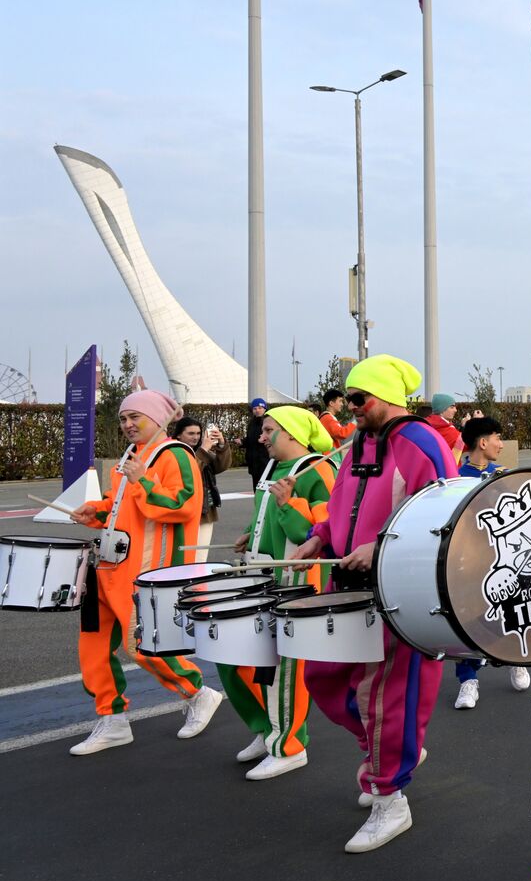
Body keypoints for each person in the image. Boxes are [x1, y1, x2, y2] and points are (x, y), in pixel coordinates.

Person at [288, 354, 455, 853]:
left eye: (359, 399)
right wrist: (319, 537)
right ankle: (391, 752)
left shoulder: (421, 441)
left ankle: (389, 796)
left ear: (384, 397)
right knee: (323, 675)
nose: (350, 407)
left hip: (399, 589)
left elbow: (446, 514)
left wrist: (380, 546)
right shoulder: (359, 441)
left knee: (386, 694)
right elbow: (343, 505)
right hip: (345, 582)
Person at [67, 390, 223, 754]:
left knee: (142, 648)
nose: (127, 425)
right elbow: (119, 506)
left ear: (157, 419)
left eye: (135, 417)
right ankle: (113, 719)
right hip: (108, 565)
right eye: (123, 418)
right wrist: (96, 511)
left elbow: (183, 505)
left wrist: (141, 482)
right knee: (93, 645)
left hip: (147, 571)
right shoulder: (132, 456)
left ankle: (197, 692)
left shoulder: (176, 454)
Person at [225, 406, 338, 781]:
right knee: (235, 657)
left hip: (297, 582)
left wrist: (289, 505)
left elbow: (322, 532)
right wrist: (250, 532)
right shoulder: (273, 468)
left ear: (291, 433)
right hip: (262, 574)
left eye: (269, 429)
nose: (261, 436)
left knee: (284, 667)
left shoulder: (317, 470)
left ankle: (289, 745)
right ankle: (266, 727)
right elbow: (265, 514)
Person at [451, 415, 528, 708]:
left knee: (513, 610)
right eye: (496, 437)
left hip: (506, 561)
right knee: (467, 618)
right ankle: (468, 680)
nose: (500, 443)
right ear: (482, 443)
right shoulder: (456, 479)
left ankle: (516, 660)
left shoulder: (504, 474)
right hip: (469, 563)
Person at [172, 416, 232, 561]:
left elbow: (221, 466)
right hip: (185, 511)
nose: (196, 437)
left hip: (206, 510)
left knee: (200, 555)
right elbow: (190, 472)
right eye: (191, 433)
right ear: (179, 434)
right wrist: (203, 450)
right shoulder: (174, 451)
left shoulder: (200, 451)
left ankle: (198, 583)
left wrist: (222, 444)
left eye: (198, 434)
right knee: (185, 556)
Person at [425, 393, 463, 463]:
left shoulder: (425, 425)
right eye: (452, 407)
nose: (455, 410)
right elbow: (470, 443)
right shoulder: (447, 430)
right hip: (449, 472)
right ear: (441, 410)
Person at [243, 397, 271, 489]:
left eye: (260, 408)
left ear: (264, 409)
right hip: (254, 463)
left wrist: (264, 440)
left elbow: (274, 438)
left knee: (266, 490)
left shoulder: (268, 422)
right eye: (255, 408)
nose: (257, 410)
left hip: (265, 462)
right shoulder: (251, 423)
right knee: (257, 490)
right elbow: (251, 439)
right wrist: (242, 442)